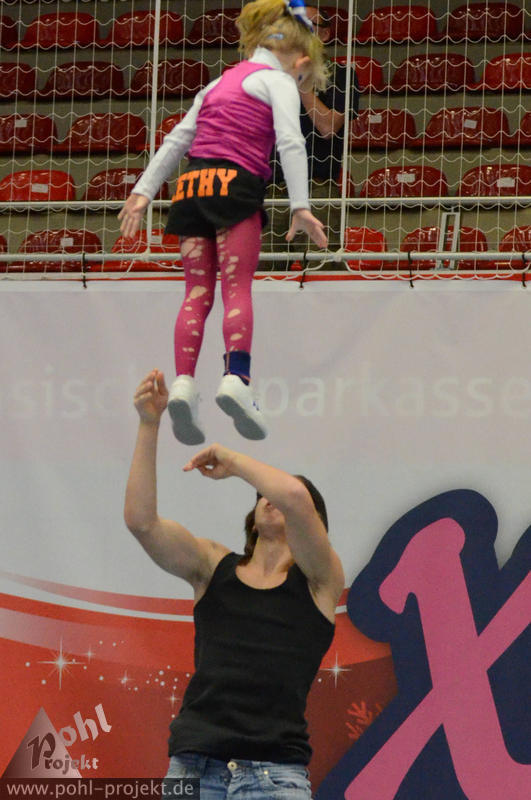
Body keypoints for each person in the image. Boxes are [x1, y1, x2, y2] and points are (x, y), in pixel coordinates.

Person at [124, 369, 345, 800]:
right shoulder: (212, 566)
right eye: (262, 495)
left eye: (280, 495)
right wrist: (149, 423)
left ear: (314, 526)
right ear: (253, 519)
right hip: (193, 767)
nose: (271, 498)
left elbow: (294, 497)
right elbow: (141, 522)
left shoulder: (321, 581)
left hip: (274, 776)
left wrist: (234, 461)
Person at [118, 0, 329, 447]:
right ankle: (236, 378)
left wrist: (142, 192)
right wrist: (300, 205)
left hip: (191, 186)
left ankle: (183, 384)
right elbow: (291, 141)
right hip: (235, 186)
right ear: (300, 61)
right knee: (237, 289)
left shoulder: (216, 83)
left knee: (196, 293)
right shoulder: (277, 80)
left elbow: (177, 139)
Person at [269, 5, 360, 254]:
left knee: (320, 267)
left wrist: (301, 83)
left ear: (325, 34)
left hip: (317, 188)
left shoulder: (341, 76)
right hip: (271, 190)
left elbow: (328, 127)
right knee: (263, 271)